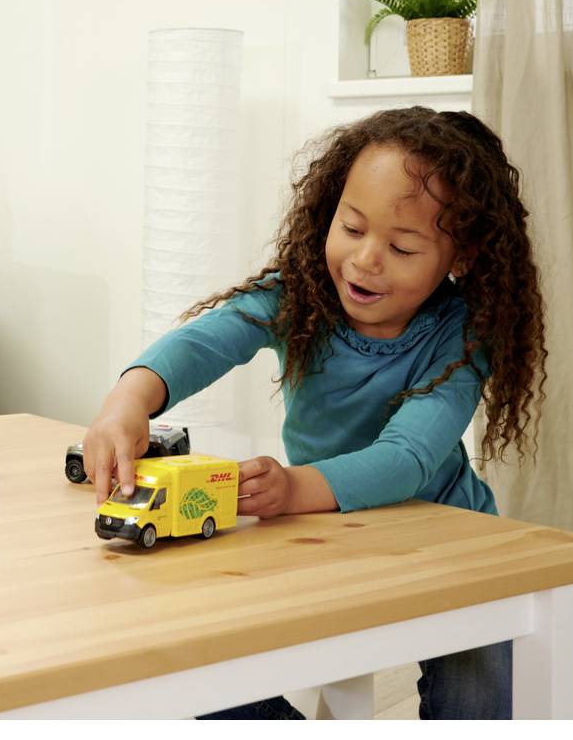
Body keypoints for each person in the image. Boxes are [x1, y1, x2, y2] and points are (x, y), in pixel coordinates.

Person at [82, 106, 547, 720]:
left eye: (403, 247)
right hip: (329, 528)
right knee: (190, 656)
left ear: (459, 257)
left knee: (482, 683)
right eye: (351, 228)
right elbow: (205, 341)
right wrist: (126, 403)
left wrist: (293, 486)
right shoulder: (300, 290)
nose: (365, 260)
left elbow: (406, 458)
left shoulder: (462, 333)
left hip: (450, 534)